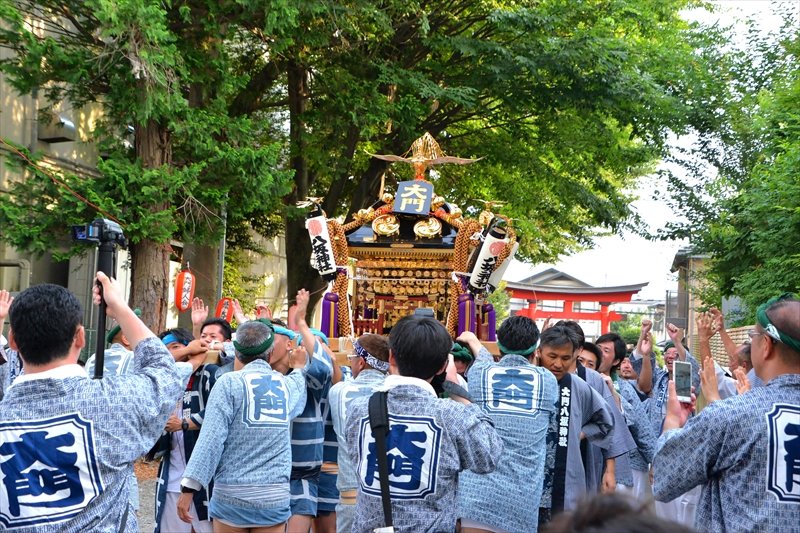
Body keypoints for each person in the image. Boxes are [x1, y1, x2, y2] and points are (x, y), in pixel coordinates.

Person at [0, 275, 182, 531]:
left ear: (14, 340)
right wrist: (119, 308)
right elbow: (164, 372)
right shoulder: (115, 402)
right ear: (80, 338)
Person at [653, 294, 800, 532]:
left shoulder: (733, 415)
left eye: (754, 336)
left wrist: (672, 420)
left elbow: (664, 476)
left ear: (767, 345)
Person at [345, 314, 503, 533]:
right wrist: (458, 391)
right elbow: (489, 456)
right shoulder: (452, 416)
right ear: (442, 366)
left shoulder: (358, 410)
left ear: (391, 357)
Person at [178, 313, 313, 532]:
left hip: (231, 493)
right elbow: (298, 390)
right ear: (269, 353)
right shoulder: (285, 386)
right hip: (272, 494)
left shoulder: (228, 383)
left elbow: (211, 439)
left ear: (237, 351)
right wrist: (298, 368)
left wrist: (189, 487)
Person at [457, 317, 558, 533]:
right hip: (521, 498)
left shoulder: (479, 374)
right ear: (536, 350)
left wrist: (474, 341)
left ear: (499, 344)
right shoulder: (548, 381)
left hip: (478, 493)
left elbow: (483, 359)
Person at [535, 325, 614, 519]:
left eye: (565, 358)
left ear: (574, 358)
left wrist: (581, 432)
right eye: (552, 356)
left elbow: (606, 421)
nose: (558, 364)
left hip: (565, 481)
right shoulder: (529, 382)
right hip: (529, 482)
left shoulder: (577, 386)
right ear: (539, 352)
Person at [153, 327, 218, 533]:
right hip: (172, 478)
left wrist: (183, 423)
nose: (171, 355)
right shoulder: (162, 382)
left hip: (205, 481)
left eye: (176, 347)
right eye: (165, 350)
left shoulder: (209, 374)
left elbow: (220, 414)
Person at [329, 333, 389, 533]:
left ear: (361, 363)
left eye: (352, 358)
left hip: (351, 496)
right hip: (392, 496)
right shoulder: (396, 392)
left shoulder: (337, 392)